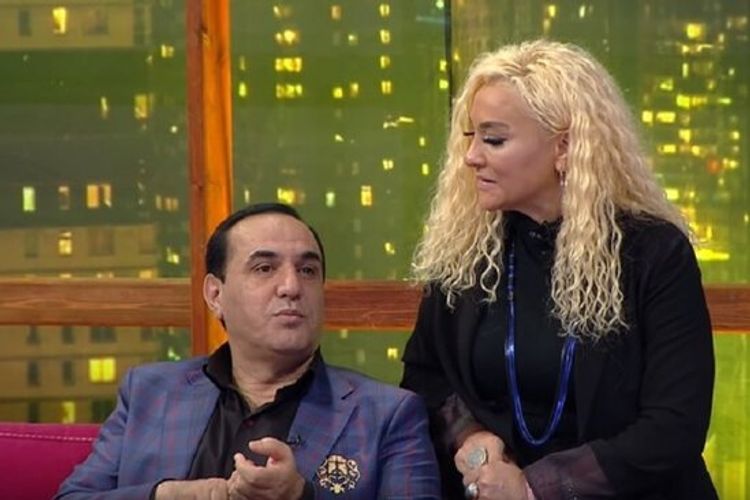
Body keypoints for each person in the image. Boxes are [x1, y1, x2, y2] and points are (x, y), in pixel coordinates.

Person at [400, 39, 717, 499]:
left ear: (564, 147)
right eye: (471, 138)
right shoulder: (467, 251)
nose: (471, 157)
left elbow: (674, 426)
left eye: (494, 140)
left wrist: (533, 488)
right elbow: (425, 378)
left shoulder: (654, 253)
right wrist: (472, 440)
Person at [58, 202, 440, 499]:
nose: (291, 286)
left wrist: (303, 496)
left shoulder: (388, 415)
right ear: (215, 294)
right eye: (264, 268)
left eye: (308, 271)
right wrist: (166, 495)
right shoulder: (149, 391)